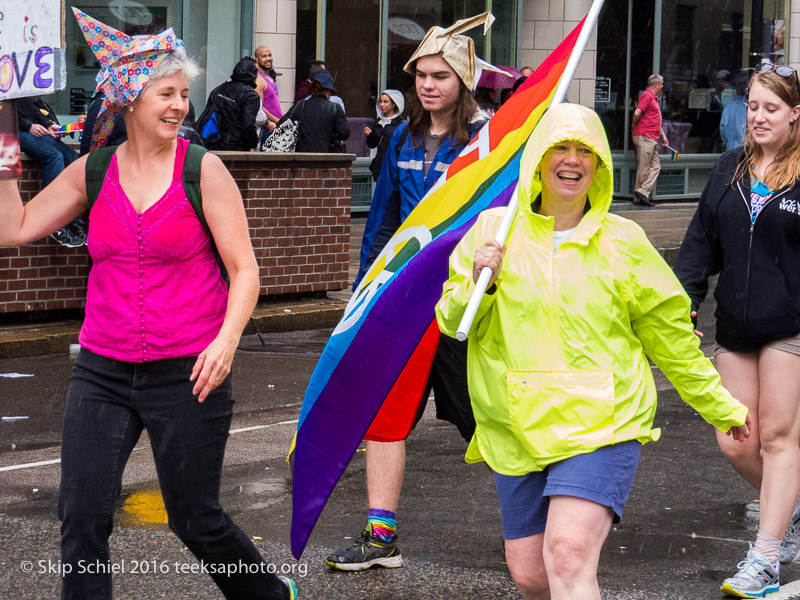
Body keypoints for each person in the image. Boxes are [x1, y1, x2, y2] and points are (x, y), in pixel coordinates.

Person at [0, 9, 297, 599]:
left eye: (183, 94)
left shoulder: (203, 170)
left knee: (195, 520)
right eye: (166, 93)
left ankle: (269, 594)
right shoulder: (94, 170)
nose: (179, 106)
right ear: (130, 99)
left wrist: (225, 342)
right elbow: (17, 227)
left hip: (189, 370)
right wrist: (7, 160)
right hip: (102, 370)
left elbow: (245, 271)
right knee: (81, 515)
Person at [435, 102, 750, 600]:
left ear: (601, 164)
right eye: (560, 146)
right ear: (538, 157)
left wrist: (718, 404)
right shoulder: (494, 230)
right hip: (515, 425)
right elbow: (454, 323)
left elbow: (670, 338)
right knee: (531, 575)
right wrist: (478, 280)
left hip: (603, 420)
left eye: (586, 150)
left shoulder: (625, 241)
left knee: (567, 555)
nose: (572, 159)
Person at [325, 12, 493, 572]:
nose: (428, 85)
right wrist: (360, 299)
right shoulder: (398, 138)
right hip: (400, 305)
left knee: (489, 421)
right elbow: (380, 226)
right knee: (385, 419)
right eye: (422, 74)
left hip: (464, 304)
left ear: (463, 82)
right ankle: (381, 538)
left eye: (441, 76)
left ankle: (554, 518)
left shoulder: (487, 143)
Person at [675, 62, 800, 599]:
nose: (759, 117)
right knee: (735, 440)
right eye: (753, 106)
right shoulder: (728, 168)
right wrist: (686, 299)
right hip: (736, 325)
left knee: (776, 435)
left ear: (796, 114)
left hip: (791, 324)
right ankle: (790, 508)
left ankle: (766, 558)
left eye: (771, 108)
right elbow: (700, 244)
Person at [17, 96, 85, 247]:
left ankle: (72, 218)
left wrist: (48, 124)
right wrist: (28, 126)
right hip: (13, 131)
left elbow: (33, 105)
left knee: (72, 157)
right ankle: (52, 219)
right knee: (53, 157)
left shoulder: (27, 78)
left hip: (30, 128)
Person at [278, 70, 349, 153]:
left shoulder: (300, 105)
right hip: (327, 158)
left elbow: (281, 125)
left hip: (302, 157)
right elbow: (344, 133)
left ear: (312, 89)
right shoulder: (335, 108)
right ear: (328, 91)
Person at [200, 57, 262, 151]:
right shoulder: (251, 96)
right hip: (237, 146)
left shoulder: (219, 89)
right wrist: (253, 144)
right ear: (253, 76)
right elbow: (248, 125)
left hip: (213, 142)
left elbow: (207, 114)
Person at [631, 74, 668, 207]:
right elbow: (637, 113)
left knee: (655, 166)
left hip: (652, 137)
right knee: (645, 167)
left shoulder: (653, 98)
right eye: (661, 83)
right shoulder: (647, 96)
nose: (662, 86)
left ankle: (641, 193)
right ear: (656, 84)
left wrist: (663, 135)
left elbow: (655, 120)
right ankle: (641, 194)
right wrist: (635, 125)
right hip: (645, 136)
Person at [364, 89, 405, 181]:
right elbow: (373, 144)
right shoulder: (377, 122)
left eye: (385, 102)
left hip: (393, 166)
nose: (382, 104)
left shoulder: (400, 124)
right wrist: (370, 135)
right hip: (379, 165)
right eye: (381, 101)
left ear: (394, 104)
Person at [254, 46, 282, 137]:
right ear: (257, 60)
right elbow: (258, 107)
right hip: (267, 128)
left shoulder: (269, 78)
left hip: (275, 126)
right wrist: (277, 121)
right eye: (264, 56)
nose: (268, 58)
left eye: (270, 55)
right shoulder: (259, 79)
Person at [719, 70, 750, 151]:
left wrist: (726, 143)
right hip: (748, 154)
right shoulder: (751, 107)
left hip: (731, 151)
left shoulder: (729, 106)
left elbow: (723, 130)